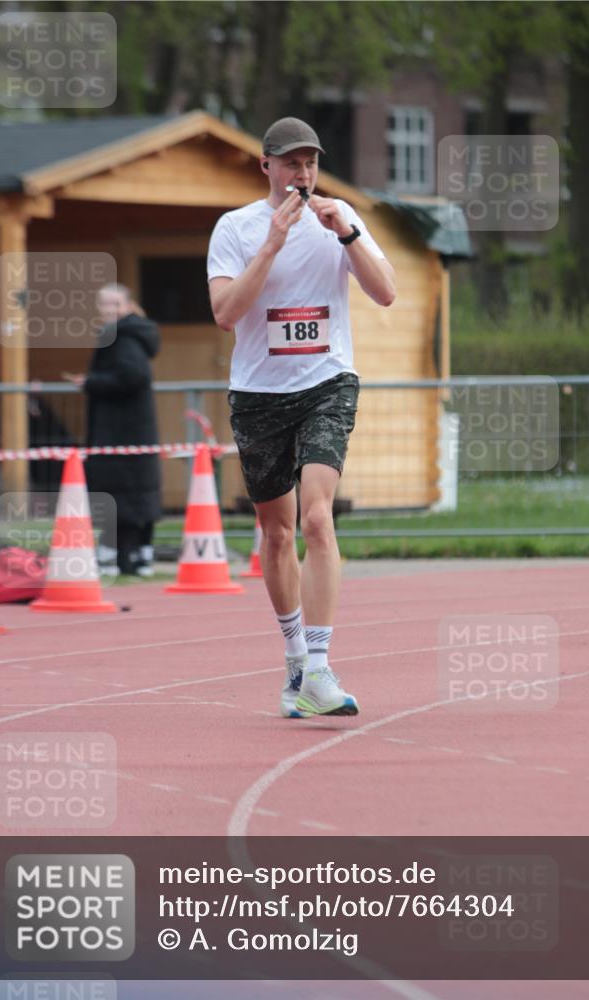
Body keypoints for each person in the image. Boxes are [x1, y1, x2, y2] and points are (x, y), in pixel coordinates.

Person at [207, 117, 395, 718]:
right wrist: (272, 243)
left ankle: (319, 666)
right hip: (259, 393)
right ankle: (294, 663)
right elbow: (226, 313)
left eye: (310, 162)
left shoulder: (340, 218)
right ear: (266, 167)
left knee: (317, 516)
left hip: (327, 383)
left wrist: (348, 235)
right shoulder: (234, 228)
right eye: (291, 163)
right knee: (278, 530)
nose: (303, 173)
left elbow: (386, 292)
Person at [63, 284, 161, 577]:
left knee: (121, 496)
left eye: (114, 305)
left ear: (128, 306)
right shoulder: (132, 334)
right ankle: (135, 557)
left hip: (121, 431)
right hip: (130, 430)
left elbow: (132, 375)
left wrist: (92, 382)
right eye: (104, 305)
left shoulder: (122, 337)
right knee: (134, 496)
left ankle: (123, 559)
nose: (108, 311)